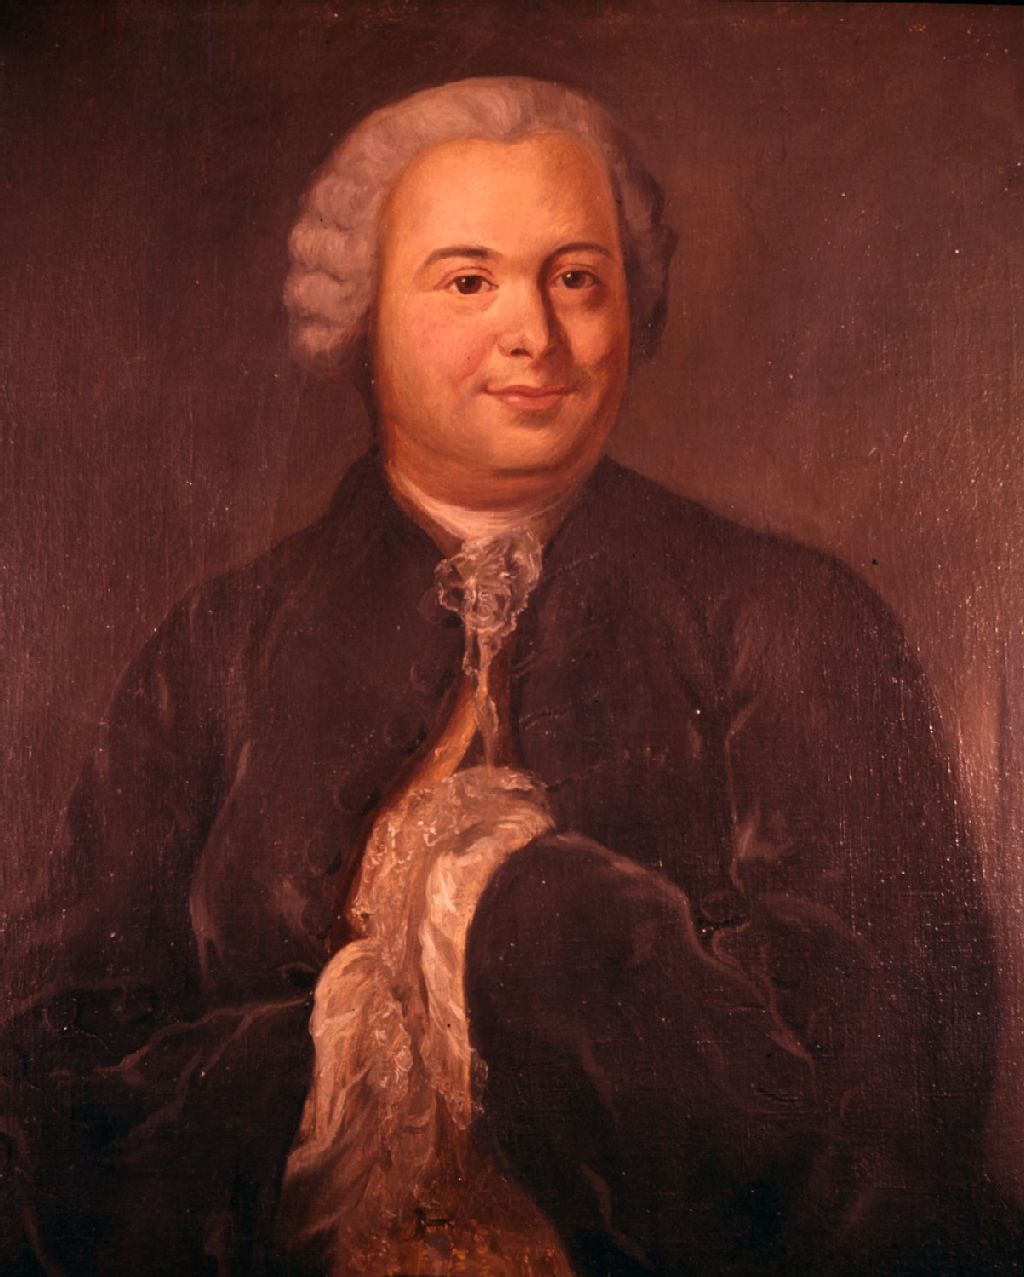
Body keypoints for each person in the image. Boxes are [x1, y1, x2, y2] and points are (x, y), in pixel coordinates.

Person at [2, 77, 1017, 1275]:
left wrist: (531, 925)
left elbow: (892, 1094)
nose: (534, 332)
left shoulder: (791, 619)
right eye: (467, 281)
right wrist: (329, 1058)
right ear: (360, 313)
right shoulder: (219, 643)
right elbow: (54, 1074)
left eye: (576, 277)